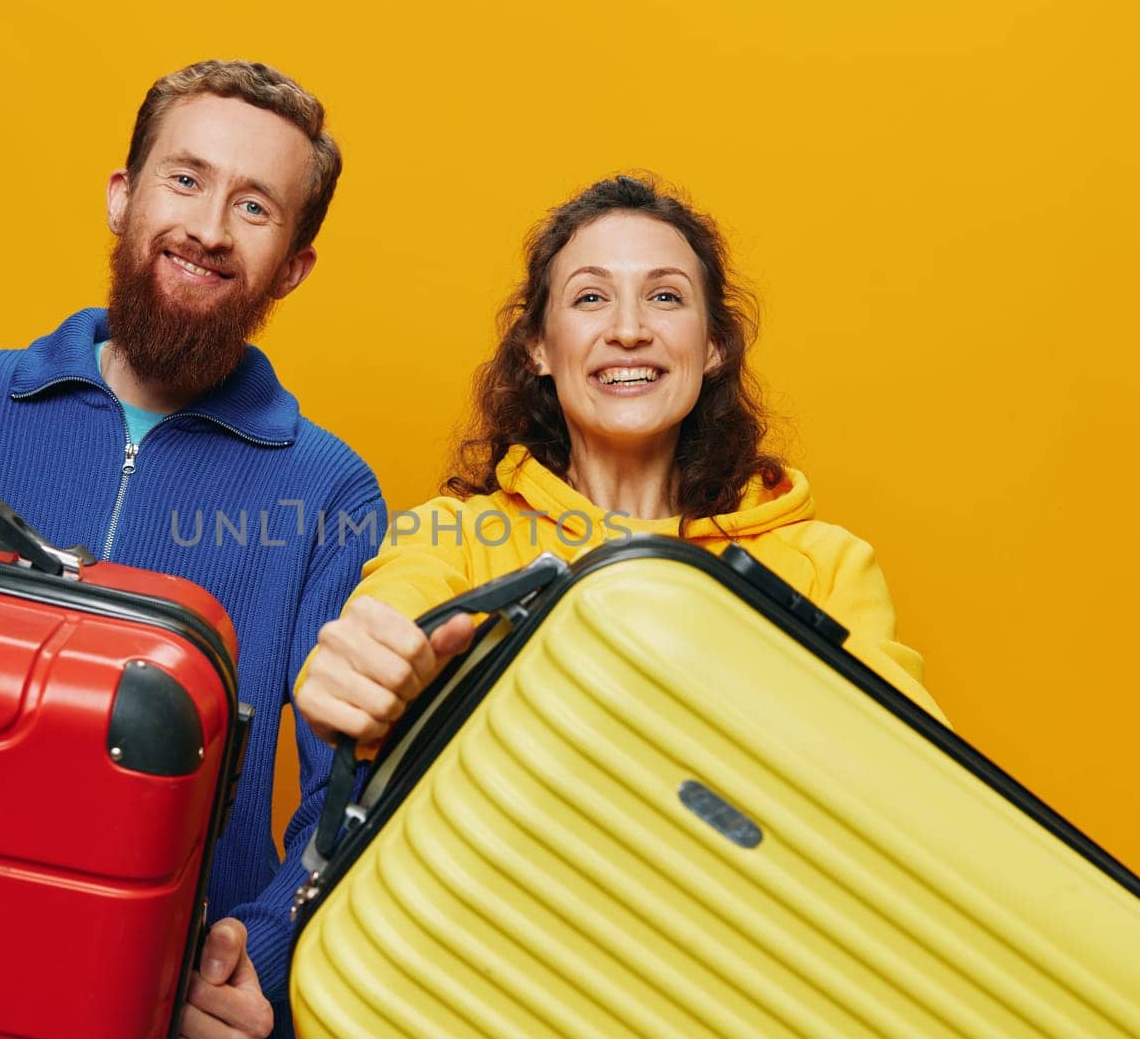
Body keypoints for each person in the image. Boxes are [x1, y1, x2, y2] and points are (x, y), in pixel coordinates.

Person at [0, 60, 383, 1039]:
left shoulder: (331, 492)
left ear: (294, 264)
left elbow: (353, 797)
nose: (209, 227)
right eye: (185, 179)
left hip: (158, 1003)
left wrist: (252, 964)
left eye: (254, 206)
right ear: (122, 197)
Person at [295, 174, 947, 751]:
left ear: (715, 345)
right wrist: (361, 669)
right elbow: (392, 615)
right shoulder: (453, 539)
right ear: (538, 349)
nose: (630, 329)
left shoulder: (828, 565)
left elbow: (916, 766)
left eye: (665, 297)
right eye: (589, 298)